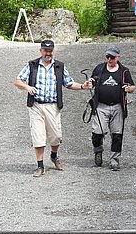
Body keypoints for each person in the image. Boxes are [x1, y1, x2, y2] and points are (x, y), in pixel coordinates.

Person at [14, 39, 92, 177]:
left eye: (50, 51)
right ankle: (40, 166)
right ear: (41, 51)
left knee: (56, 137)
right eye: (45, 50)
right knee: (38, 136)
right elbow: (18, 80)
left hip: (53, 106)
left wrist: (82, 86)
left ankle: (54, 156)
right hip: (36, 106)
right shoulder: (32, 65)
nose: (48, 53)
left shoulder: (59, 66)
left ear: (53, 51)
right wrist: (27, 87)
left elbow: (68, 83)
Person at [89, 45, 135, 171]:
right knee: (97, 132)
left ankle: (114, 160)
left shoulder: (124, 71)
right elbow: (93, 80)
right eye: (107, 56)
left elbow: (132, 87)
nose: (109, 59)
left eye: (112, 57)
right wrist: (90, 82)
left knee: (117, 134)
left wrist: (128, 89)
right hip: (101, 106)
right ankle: (98, 151)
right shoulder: (99, 68)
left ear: (118, 57)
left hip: (117, 107)